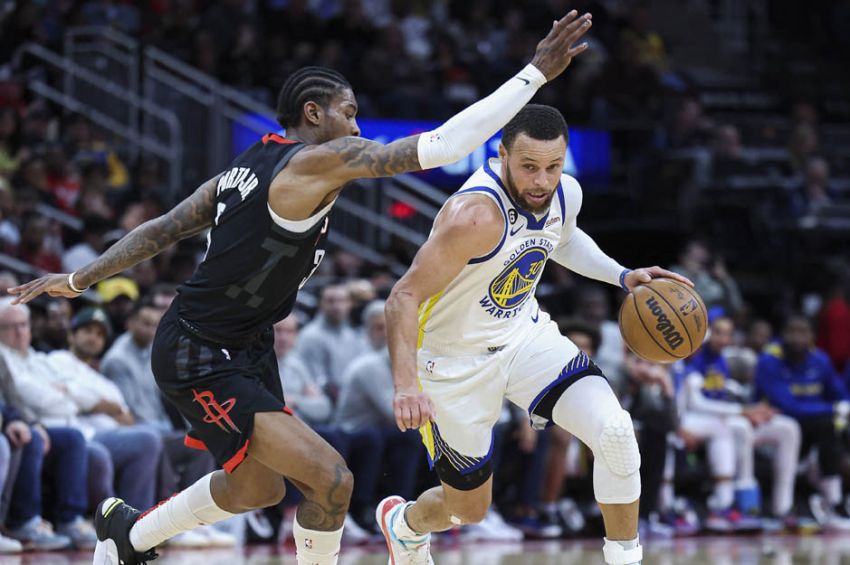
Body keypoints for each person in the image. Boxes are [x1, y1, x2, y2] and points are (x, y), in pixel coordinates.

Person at [8, 10, 594, 565]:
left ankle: (128, 533)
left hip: (243, 345)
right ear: (314, 114)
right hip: (201, 350)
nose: (357, 127)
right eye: (349, 112)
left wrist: (80, 278)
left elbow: (164, 228)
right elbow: (443, 147)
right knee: (331, 479)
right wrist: (535, 73)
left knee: (257, 488)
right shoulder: (315, 161)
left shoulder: (245, 167)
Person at [382, 103, 692, 565]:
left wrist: (623, 275)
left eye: (553, 166)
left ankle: (626, 558)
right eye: (529, 167)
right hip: (451, 361)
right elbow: (402, 298)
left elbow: (563, 239)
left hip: (523, 336)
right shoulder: (473, 217)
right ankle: (405, 524)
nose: (542, 181)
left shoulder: (564, 194)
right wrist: (406, 385)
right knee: (468, 509)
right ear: (502, 156)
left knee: (615, 430)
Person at [679, 316, 800, 531]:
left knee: (788, 428)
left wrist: (754, 409)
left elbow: (725, 395)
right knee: (740, 428)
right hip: (704, 419)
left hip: (726, 416)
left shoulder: (722, 360)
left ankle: (783, 508)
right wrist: (743, 411)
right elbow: (696, 404)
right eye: (718, 332)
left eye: (728, 334)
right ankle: (744, 505)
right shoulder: (695, 357)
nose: (723, 339)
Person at [755, 315, 850, 530]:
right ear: (783, 335)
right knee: (827, 423)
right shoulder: (769, 361)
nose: (797, 338)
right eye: (792, 331)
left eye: (803, 332)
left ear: (812, 336)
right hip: (774, 428)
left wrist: (843, 407)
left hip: (815, 431)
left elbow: (840, 394)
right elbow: (787, 406)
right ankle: (828, 503)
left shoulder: (820, 360)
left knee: (834, 427)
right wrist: (835, 408)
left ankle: (835, 501)